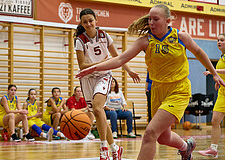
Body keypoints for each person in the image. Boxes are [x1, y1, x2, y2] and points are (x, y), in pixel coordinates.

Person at [76, 4, 225, 160]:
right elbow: (120, 59)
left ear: (168, 21)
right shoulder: (146, 41)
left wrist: (214, 74)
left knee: (149, 133)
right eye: (149, 19)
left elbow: (200, 52)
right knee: (162, 137)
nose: (151, 23)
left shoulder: (181, 37)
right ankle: (185, 147)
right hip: (158, 91)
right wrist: (94, 68)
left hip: (178, 90)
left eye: (156, 19)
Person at [74, 8, 140, 160]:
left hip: (103, 76)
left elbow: (118, 57)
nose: (88, 24)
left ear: (96, 20)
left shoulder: (104, 36)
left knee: (97, 108)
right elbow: (83, 65)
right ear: (81, 23)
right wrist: (103, 62)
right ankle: (115, 148)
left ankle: (103, 148)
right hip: (87, 78)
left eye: (91, 20)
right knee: (99, 114)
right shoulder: (79, 41)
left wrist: (129, 71)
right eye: (85, 22)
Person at [198, 33, 225, 158]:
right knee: (215, 121)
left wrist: (213, 72)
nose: (219, 42)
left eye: (222, 40)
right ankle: (213, 149)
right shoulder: (221, 57)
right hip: (222, 93)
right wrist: (218, 80)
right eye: (218, 40)